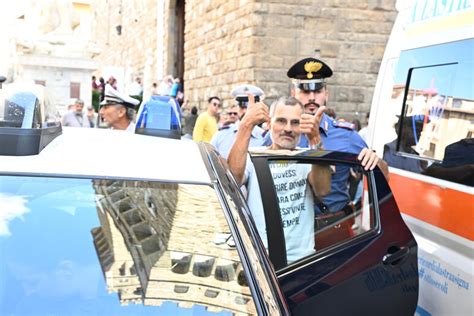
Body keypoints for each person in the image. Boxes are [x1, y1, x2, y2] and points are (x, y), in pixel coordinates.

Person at [265, 57, 384, 212]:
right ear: (293, 93)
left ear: (326, 94)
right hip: (290, 227)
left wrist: (376, 161)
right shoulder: (280, 133)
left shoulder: (345, 135)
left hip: (334, 228)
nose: (312, 97)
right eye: (305, 91)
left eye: (318, 91)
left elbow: (381, 176)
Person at [227, 96, 332, 262]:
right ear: (269, 123)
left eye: (295, 122)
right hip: (260, 259)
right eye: (281, 121)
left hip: (301, 261)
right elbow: (231, 181)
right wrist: (246, 125)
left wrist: (315, 140)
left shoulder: (307, 157)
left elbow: (323, 189)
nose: (288, 129)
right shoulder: (254, 156)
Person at [211, 84, 266, 159]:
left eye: (249, 106)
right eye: (242, 106)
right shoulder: (221, 135)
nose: (245, 111)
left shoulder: (264, 138)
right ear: (237, 107)